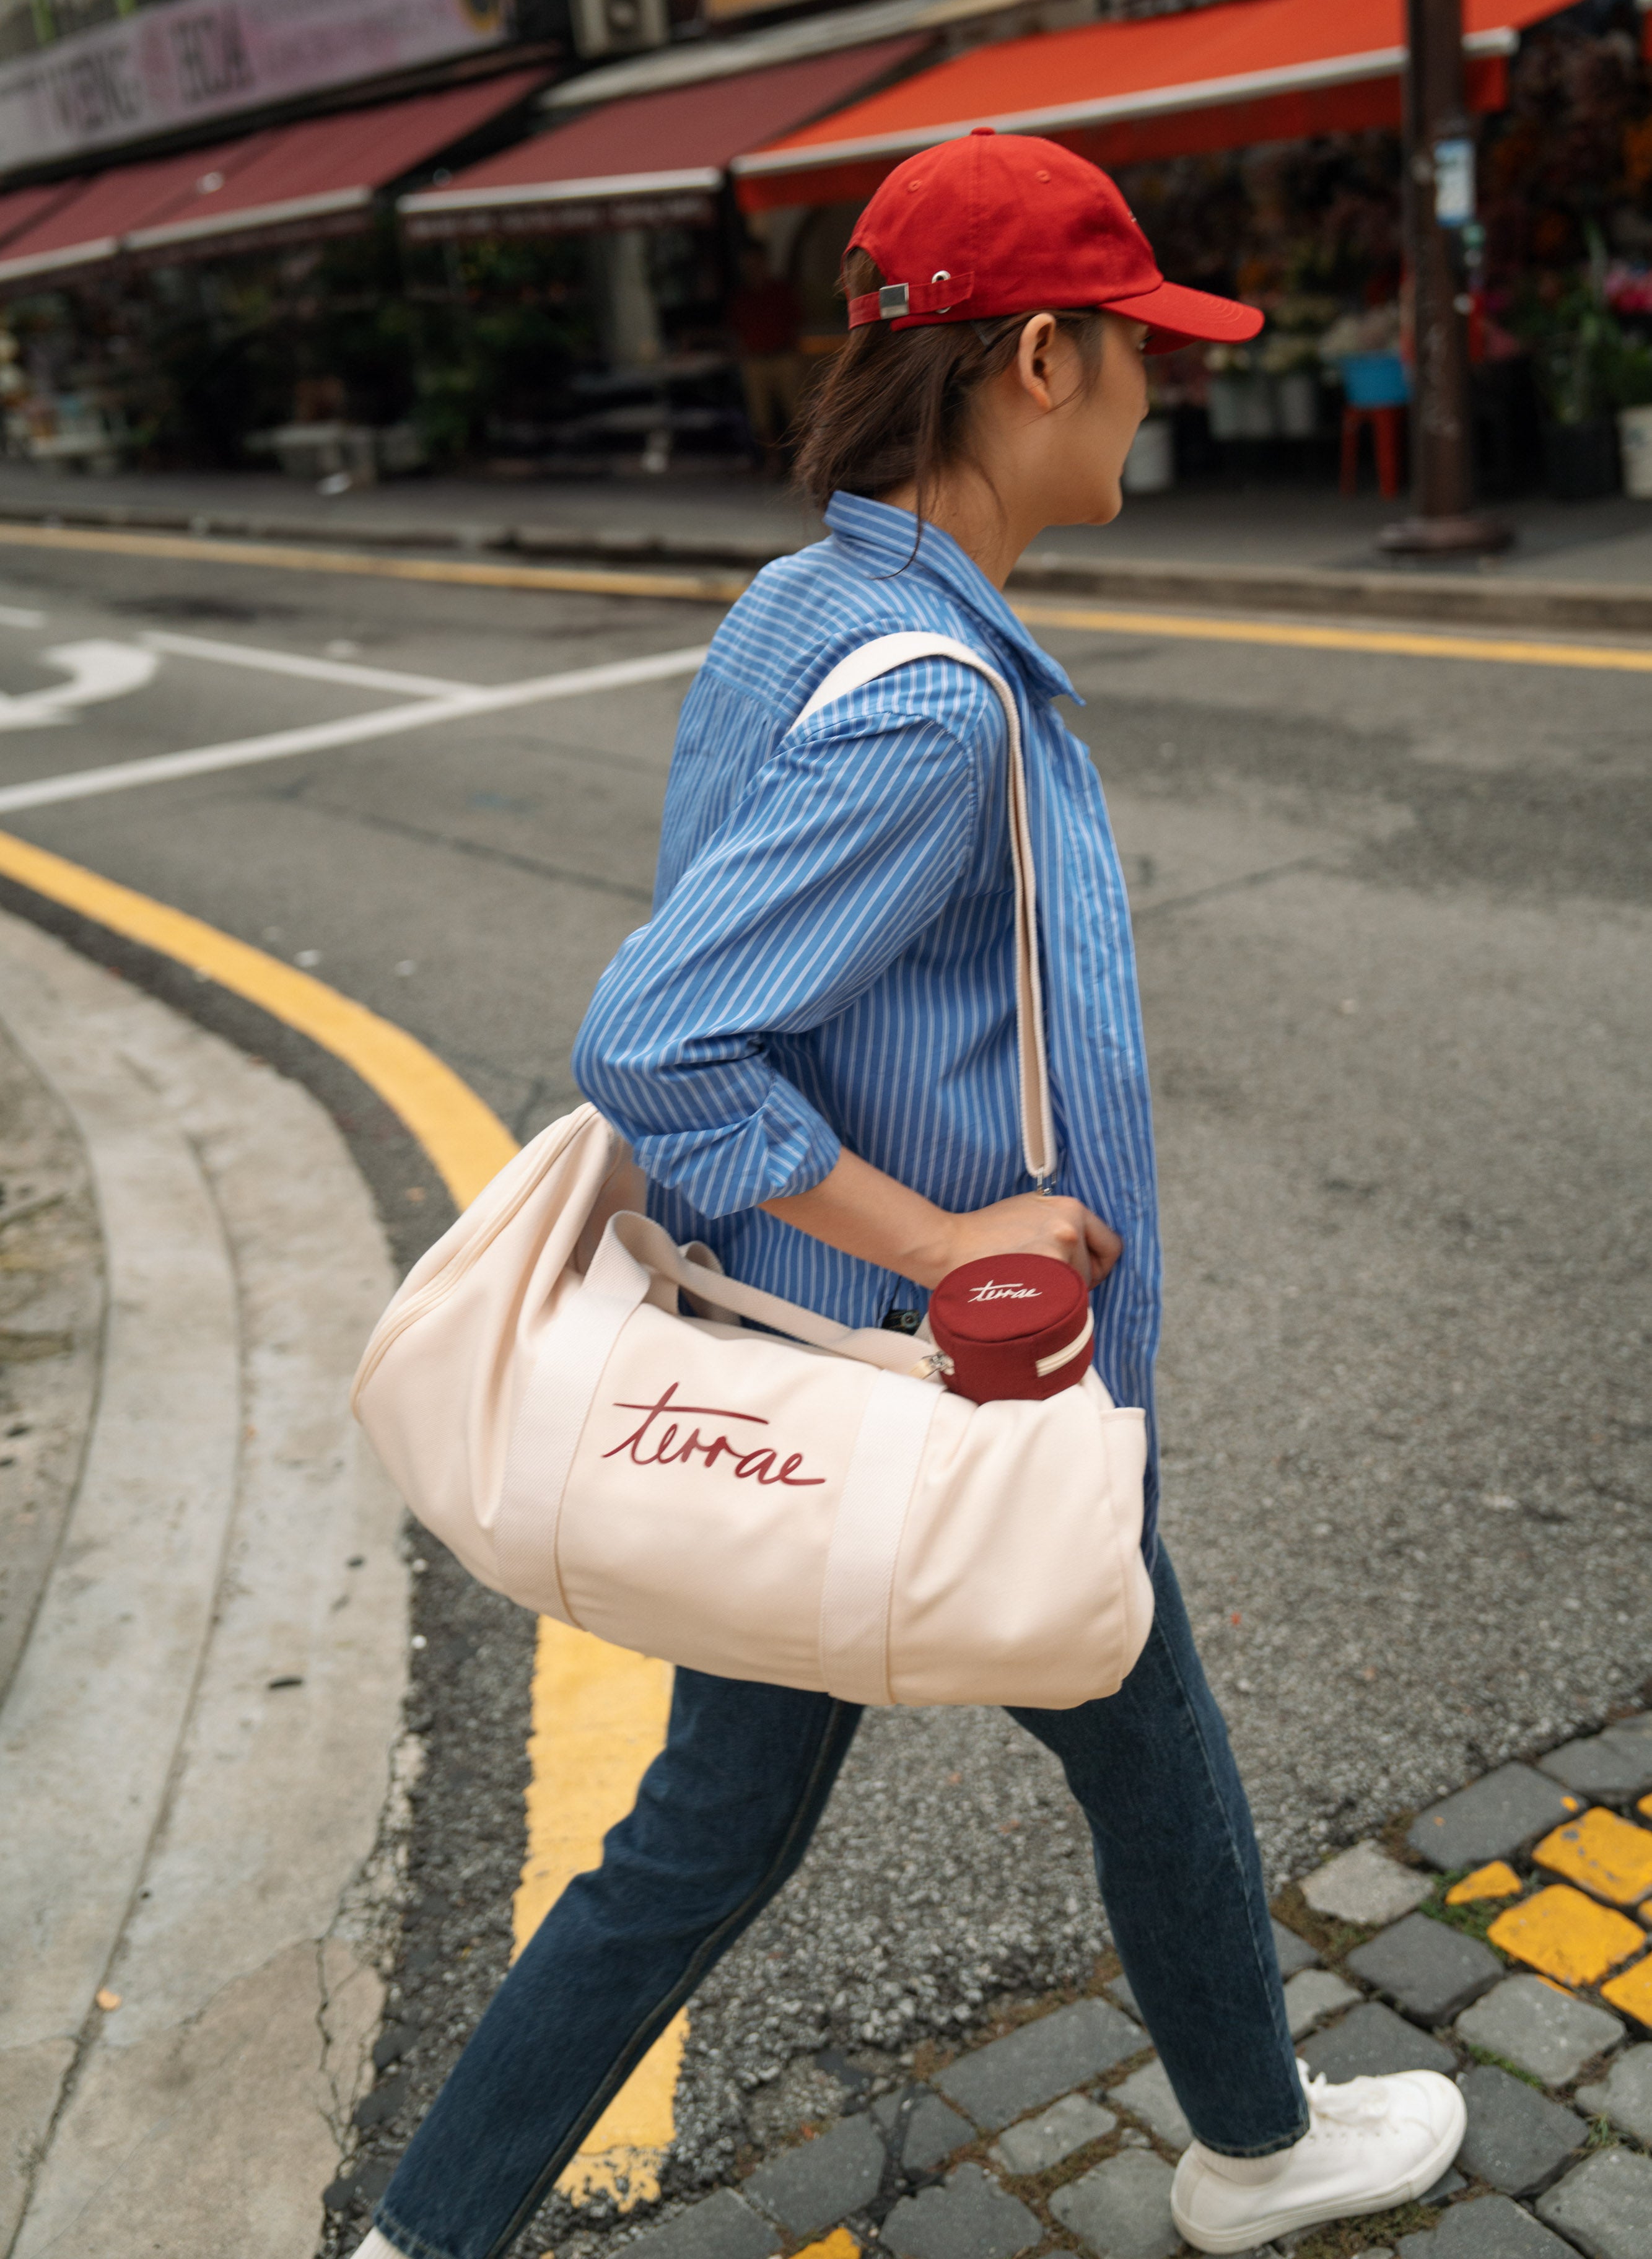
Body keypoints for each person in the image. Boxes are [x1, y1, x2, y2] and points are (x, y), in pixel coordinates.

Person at [352, 130, 1465, 2259]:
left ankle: (1247, 2138)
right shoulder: (930, 703)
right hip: (918, 1384)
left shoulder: (809, 601)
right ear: (1039, 359)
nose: (1168, 389)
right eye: (1142, 351)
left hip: (836, 1370)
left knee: (1018, 1754)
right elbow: (660, 1040)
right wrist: (960, 1246)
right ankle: (1249, 2148)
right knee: (802, 1811)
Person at [727, 239, 803, 470]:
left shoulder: (779, 291)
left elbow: (796, 320)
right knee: (761, 414)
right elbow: (735, 329)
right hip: (755, 359)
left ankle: (803, 459)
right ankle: (772, 459)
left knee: (796, 409)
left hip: (783, 356)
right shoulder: (742, 297)